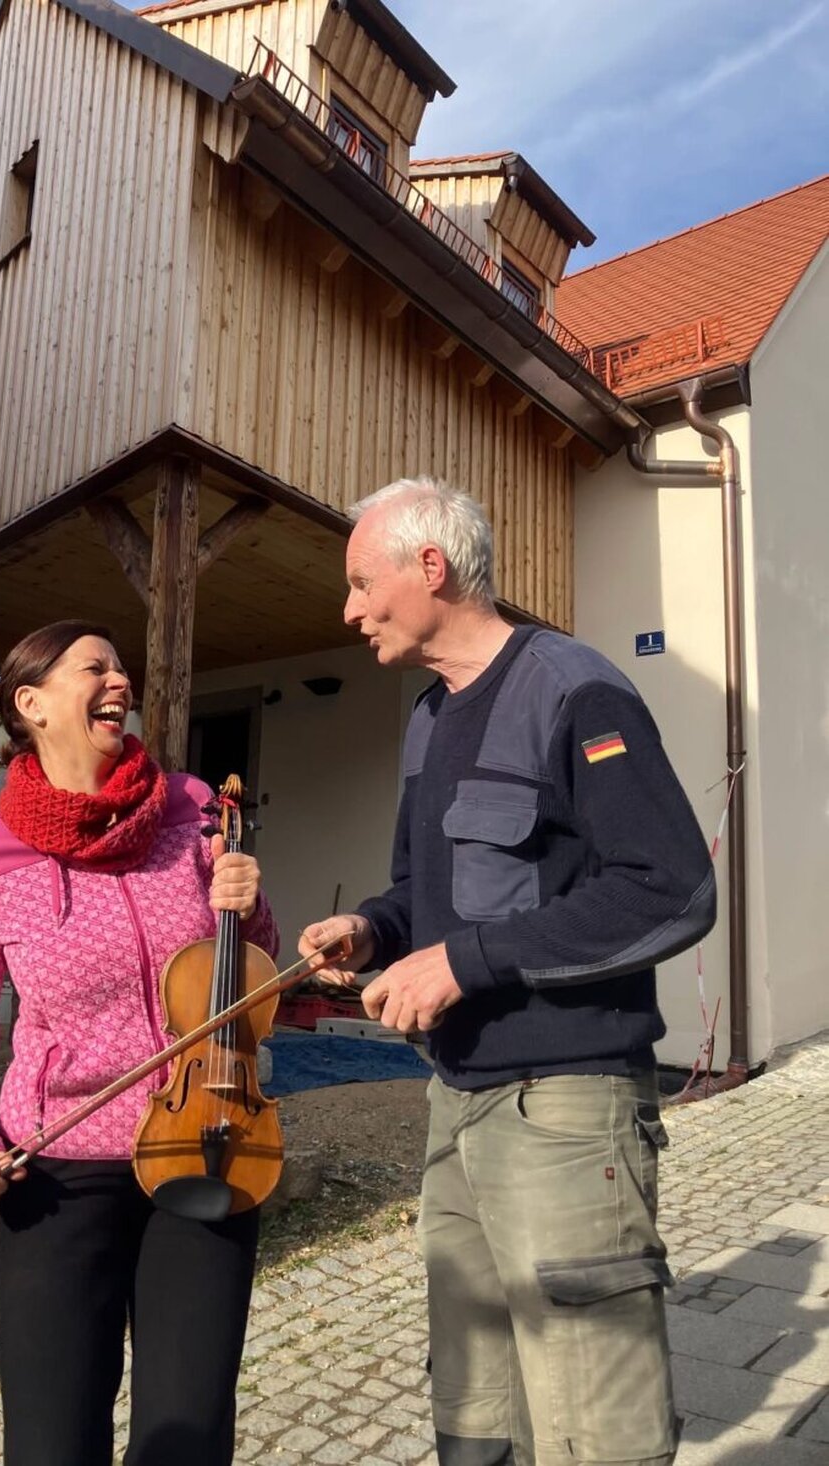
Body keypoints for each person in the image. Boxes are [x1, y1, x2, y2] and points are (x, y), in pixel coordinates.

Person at [299, 478, 715, 1466]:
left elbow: (669, 888)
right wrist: (371, 928)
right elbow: (424, 895)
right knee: (473, 1411)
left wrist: (465, 960)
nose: (349, 610)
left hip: (565, 1111)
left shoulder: (575, 688)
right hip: (454, 1103)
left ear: (429, 567)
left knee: (593, 1432)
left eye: (361, 583)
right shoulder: (427, 717)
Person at [0, 619, 278, 1466]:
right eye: (96, 668)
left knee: (186, 1435)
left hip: (206, 1145)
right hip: (58, 1174)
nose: (120, 681)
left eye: (122, 668)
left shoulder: (192, 811)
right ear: (33, 704)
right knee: (51, 1439)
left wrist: (251, 905)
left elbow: (251, 979)